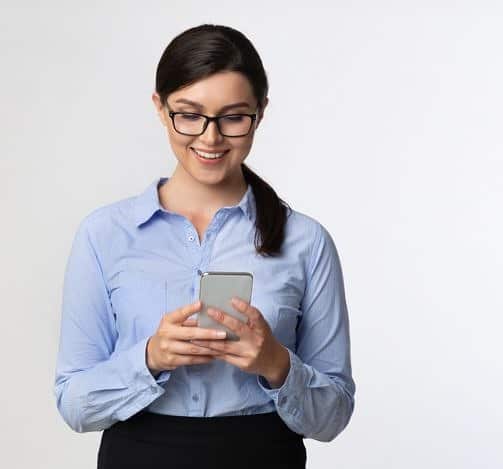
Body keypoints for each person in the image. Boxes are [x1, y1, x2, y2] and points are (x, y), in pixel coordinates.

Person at [53, 24, 355, 469]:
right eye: (189, 115)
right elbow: (74, 405)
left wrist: (276, 364)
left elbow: (333, 417)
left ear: (260, 112)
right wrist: (150, 358)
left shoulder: (306, 242)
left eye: (233, 117)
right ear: (160, 108)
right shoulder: (104, 235)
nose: (210, 138)